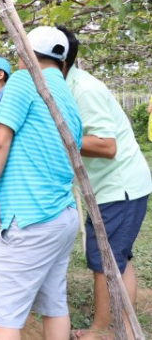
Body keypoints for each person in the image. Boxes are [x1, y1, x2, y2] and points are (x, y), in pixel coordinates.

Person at [0, 26, 82, 339]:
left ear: (24, 53)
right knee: (54, 304)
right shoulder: (66, 93)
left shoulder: (24, 80)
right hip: (62, 215)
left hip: (32, 217)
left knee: (4, 315)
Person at [56, 27, 152, 340]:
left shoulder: (84, 90)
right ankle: (121, 325)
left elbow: (106, 146)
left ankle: (102, 331)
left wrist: (58, 134)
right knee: (117, 257)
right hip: (111, 187)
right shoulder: (67, 87)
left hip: (119, 186)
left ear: (60, 60)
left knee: (104, 260)